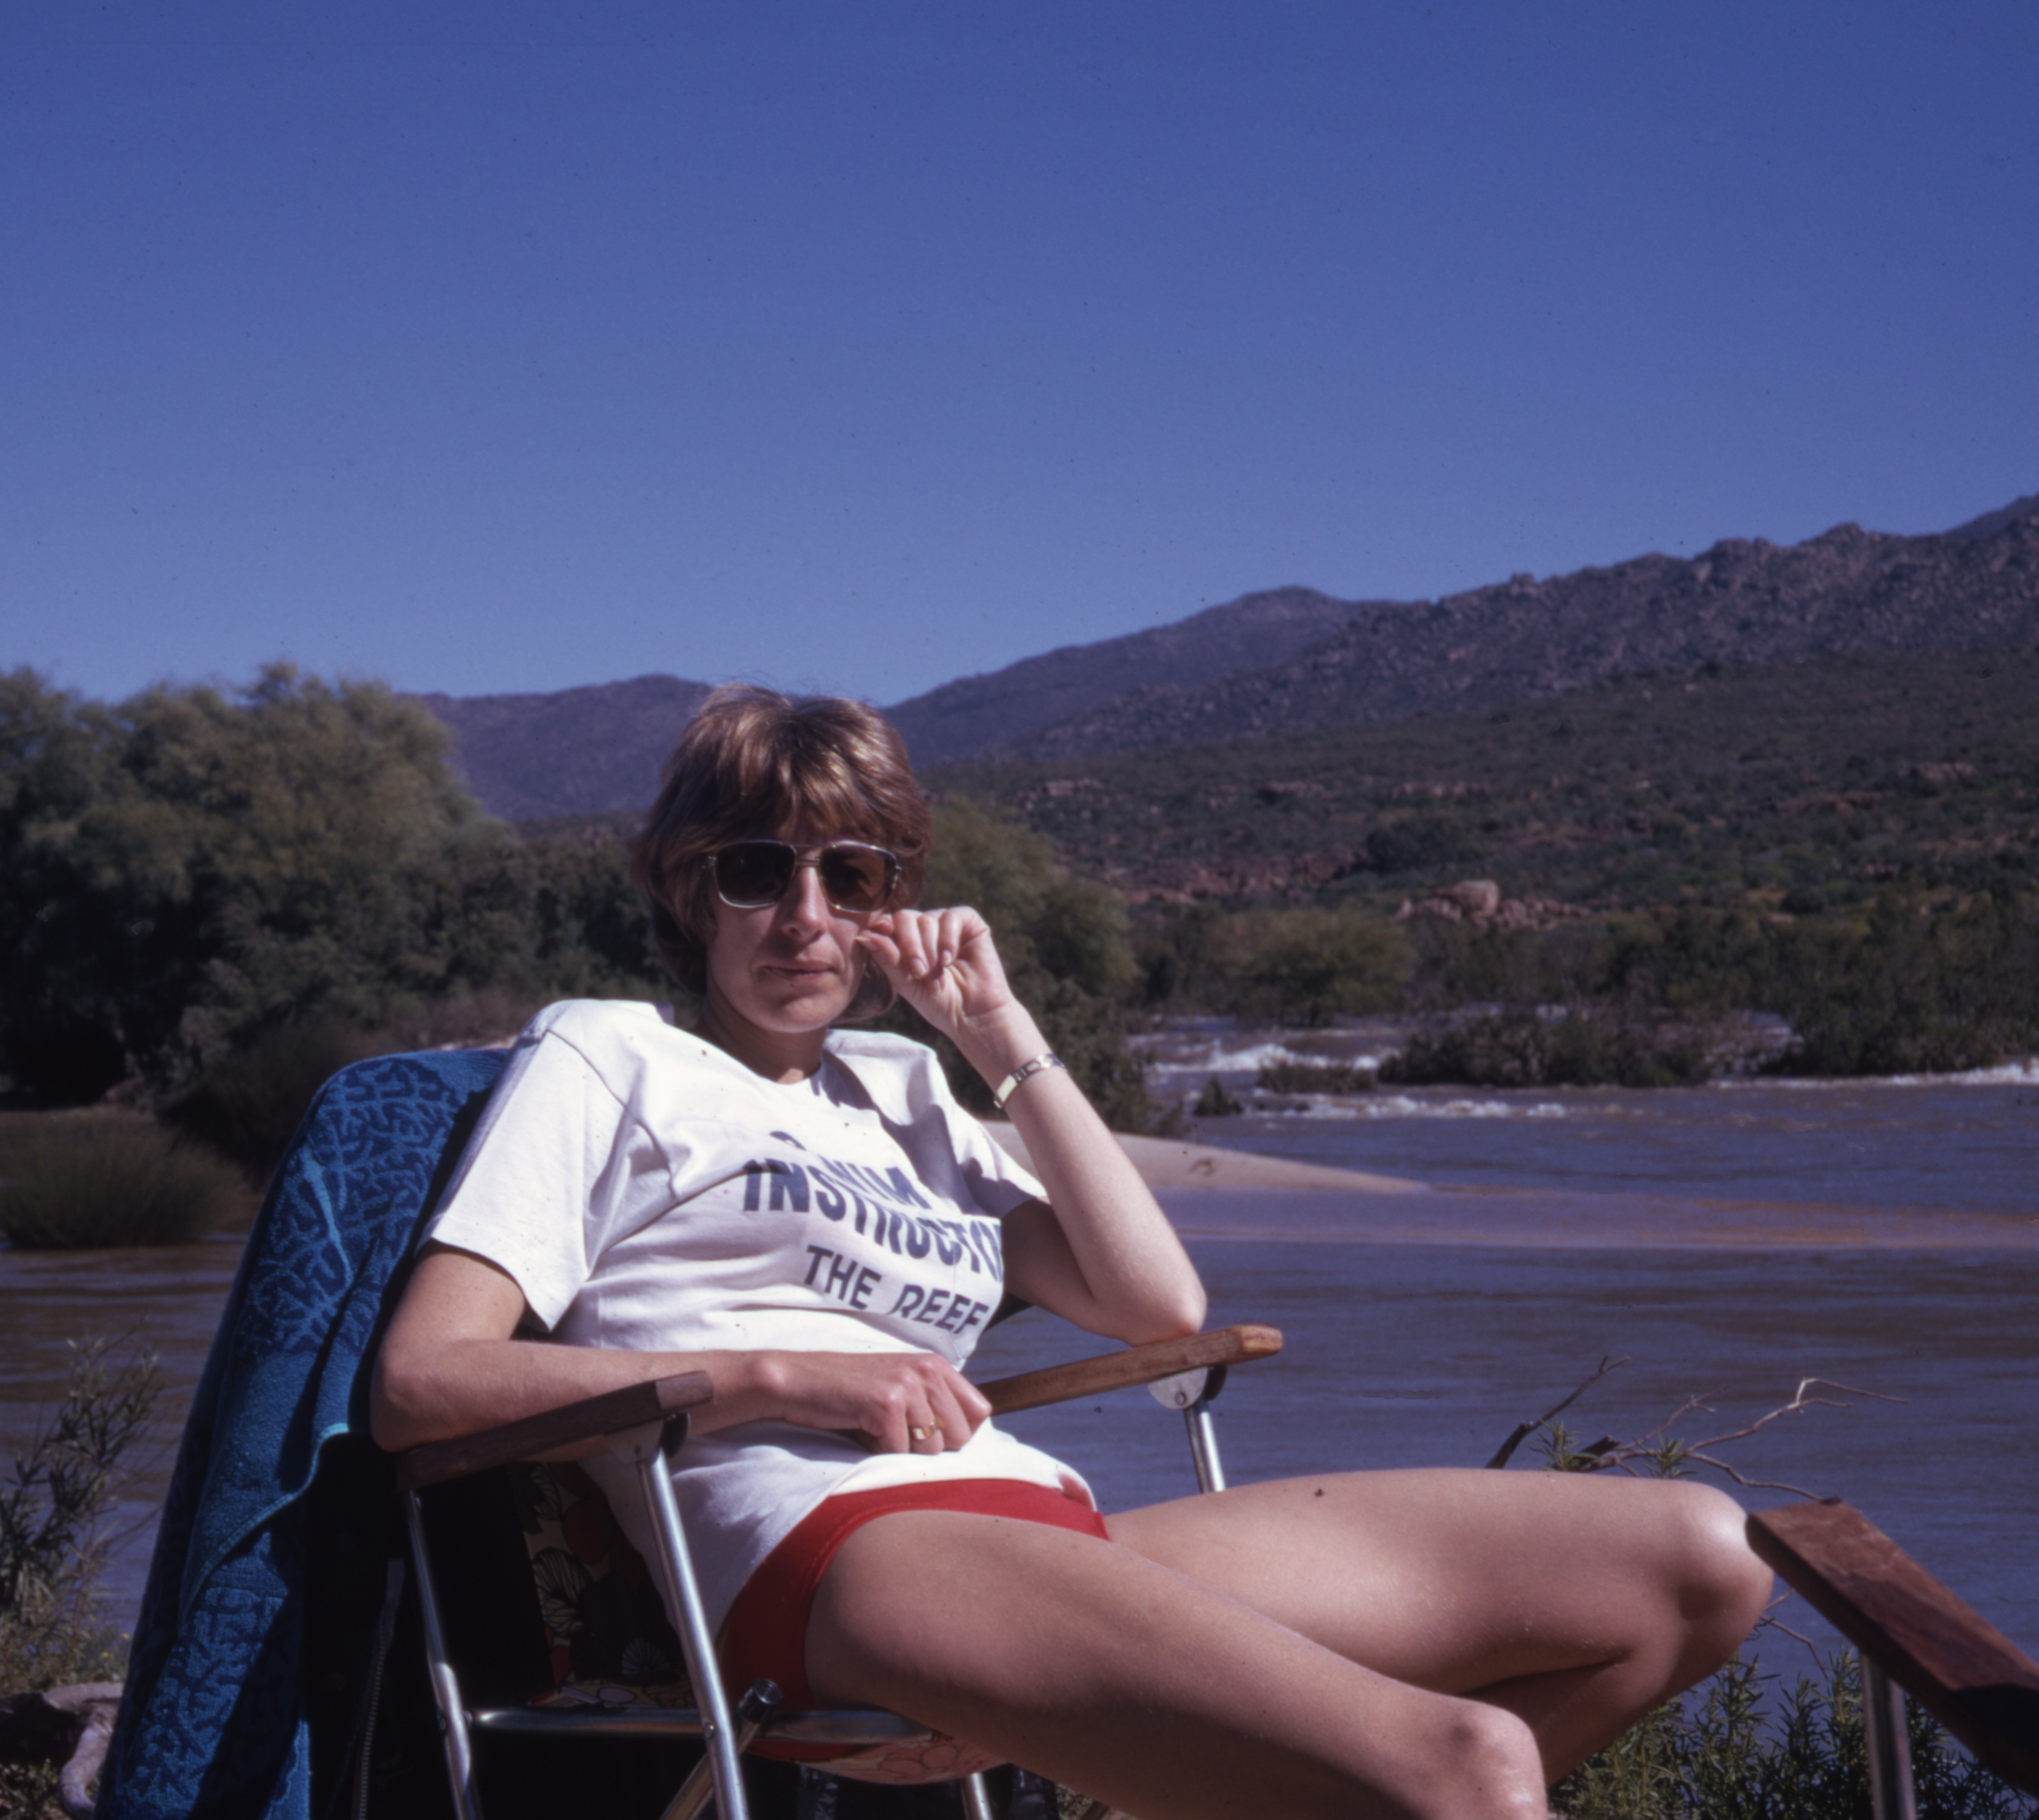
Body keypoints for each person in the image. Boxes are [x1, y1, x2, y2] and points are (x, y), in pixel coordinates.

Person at [371, 687, 1768, 1820]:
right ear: (688, 891)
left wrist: (1000, 1037)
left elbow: (1154, 1302)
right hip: (826, 1552)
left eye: (850, 876)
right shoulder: (610, 1055)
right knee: (1469, 1763)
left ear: (893, 901)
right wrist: (782, 1376)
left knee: (1697, 1567)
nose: (805, 918)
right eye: (756, 871)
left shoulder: (904, 1090)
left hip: (1040, 1527)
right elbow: (424, 1385)